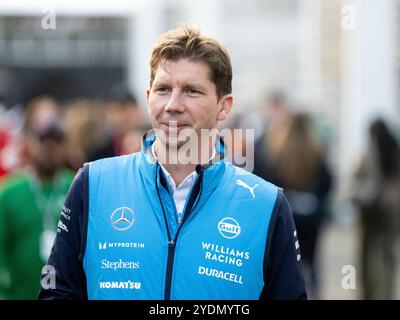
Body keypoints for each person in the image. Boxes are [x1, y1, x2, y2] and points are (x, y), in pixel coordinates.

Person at [39, 26, 307, 300]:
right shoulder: (93, 183)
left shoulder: (265, 204)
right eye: (163, 89)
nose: (173, 105)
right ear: (148, 97)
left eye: (192, 91)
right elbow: (57, 292)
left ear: (224, 106)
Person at [0, 96, 74, 299]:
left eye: (56, 140)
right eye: (42, 140)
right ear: (28, 141)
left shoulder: (77, 187)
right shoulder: (9, 191)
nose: (49, 148)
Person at [253, 113, 332, 299]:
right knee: (311, 259)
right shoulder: (316, 149)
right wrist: (316, 200)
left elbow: (268, 179)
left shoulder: (278, 148)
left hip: (288, 213)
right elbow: (327, 180)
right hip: (311, 217)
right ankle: (314, 292)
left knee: (287, 259)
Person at [350, 118, 400, 299]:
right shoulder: (383, 153)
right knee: (374, 254)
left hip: (381, 213)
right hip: (373, 212)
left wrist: (379, 198)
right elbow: (355, 182)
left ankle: (378, 292)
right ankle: (374, 292)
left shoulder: (388, 155)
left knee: (379, 254)